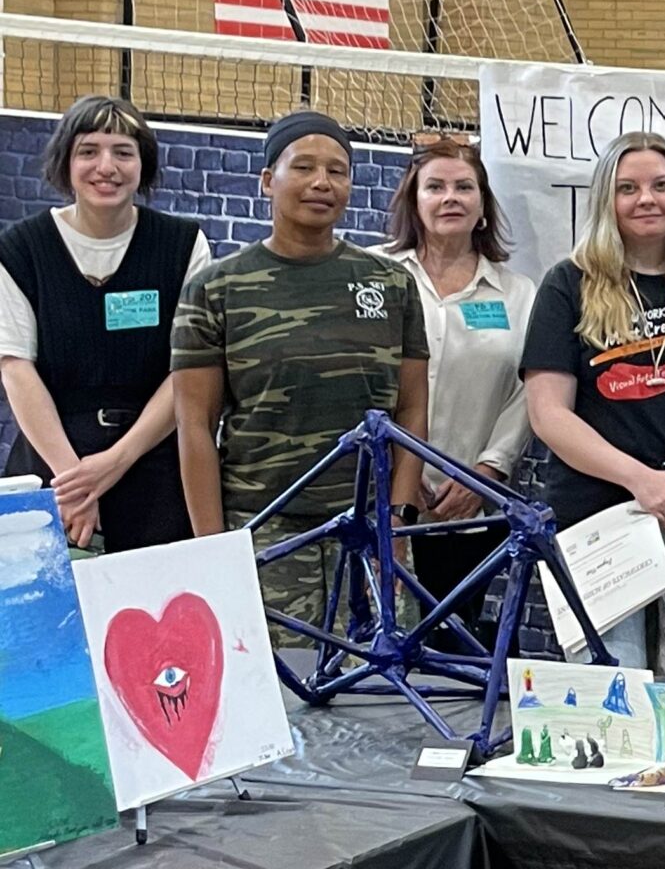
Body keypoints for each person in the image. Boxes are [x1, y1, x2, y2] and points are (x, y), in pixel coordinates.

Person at [171, 111, 429, 628]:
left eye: (337, 171)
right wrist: (213, 549)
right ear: (268, 180)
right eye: (305, 167)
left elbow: (412, 412)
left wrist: (397, 523)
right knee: (277, 678)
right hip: (262, 530)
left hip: (368, 531)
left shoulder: (391, 284)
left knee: (377, 676)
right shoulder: (217, 288)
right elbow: (194, 424)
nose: (322, 182)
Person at [521, 131, 665, 669]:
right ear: (607, 199)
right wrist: (640, 480)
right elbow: (548, 415)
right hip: (598, 522)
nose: (647, 199)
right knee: (614, 693)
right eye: (628, 188)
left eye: (661, 186)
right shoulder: (567, 285)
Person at [0, 97, 209, 553]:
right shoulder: (19, 250)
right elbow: (15, 367)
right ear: (65, 161)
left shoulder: (184, 245)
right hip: (51, 467)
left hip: (154, 466)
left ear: (143, 163)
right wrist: (74, 483)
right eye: (89, 151)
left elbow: (189, 371)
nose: (106, 167)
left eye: (123, 152)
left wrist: (115, 462)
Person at [379, 135, 537, 617]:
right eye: (436, 187)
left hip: (465, 506)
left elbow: (528, 392)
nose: (450, 198)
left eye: (464, 187)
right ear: (414, 200)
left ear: (483, 206)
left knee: (452, 642)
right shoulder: (374, 275)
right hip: (378, 497)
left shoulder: (518, 294)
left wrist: (487, 473)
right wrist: (400, 477)